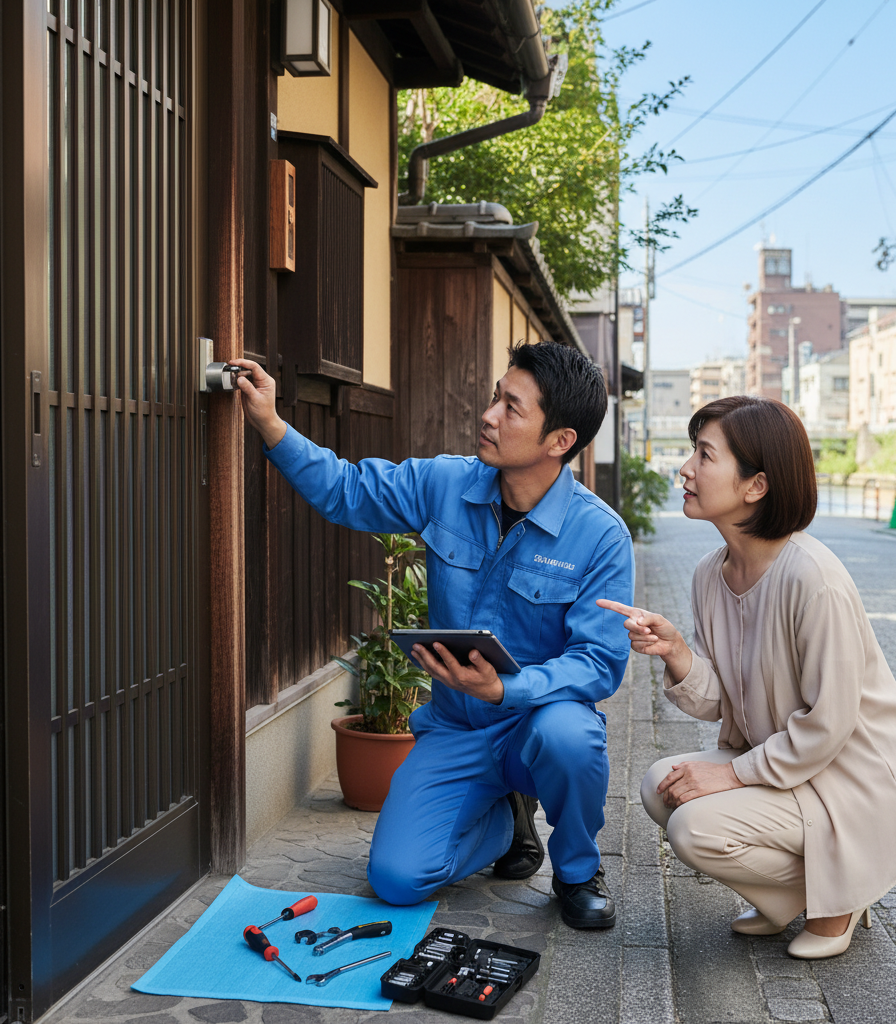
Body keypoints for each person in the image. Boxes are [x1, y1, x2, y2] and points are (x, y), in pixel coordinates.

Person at [234, 341, 633, 928]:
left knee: (571, 736)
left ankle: (576, 872)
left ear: (560, 441)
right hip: (455, 728)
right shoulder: (446, 484)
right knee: (396, 881)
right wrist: (269, 422)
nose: (490, 414)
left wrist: (508, 690)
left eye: (512, 408)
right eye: (496, 396)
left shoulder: (600, 536)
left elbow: (600, 663)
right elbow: (346, 490)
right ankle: (500, 828)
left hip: (535, 725)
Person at [599, 395, 896, 959]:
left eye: (704, 455)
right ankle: (795, 895)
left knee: (693, 826)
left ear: (757, 486)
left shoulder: (813, 578)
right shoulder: (709, 573)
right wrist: (676, 651)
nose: (686, 470)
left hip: (848, 776)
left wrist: (734, 775)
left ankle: (839, 899)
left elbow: (830, 723)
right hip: (787, 762)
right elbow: (725, 700)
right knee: (660, 786)